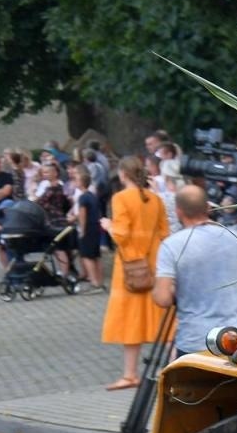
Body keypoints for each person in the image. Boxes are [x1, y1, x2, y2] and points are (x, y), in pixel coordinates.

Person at [153, 185, 237, 355]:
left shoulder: (171, 245)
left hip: (196, 341)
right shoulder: (233, 236)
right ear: (208, 207)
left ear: (178, 211)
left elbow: (163, 299)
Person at [101, 156, 170, 390]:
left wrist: (107, 225)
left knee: (130, 321)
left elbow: (120, 235)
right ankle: (171, 370)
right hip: (155, 265)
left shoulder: (120, 198)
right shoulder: (156, 199)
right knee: (164, 320)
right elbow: (165, 233)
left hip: (130, 268)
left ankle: (130, 374)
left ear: (122, 174)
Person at [67, 162, 103, 290]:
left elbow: (82, 214)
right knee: (96, 255)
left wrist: (82, 230)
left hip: (87, 227)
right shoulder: (92, 195)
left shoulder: (82, 197)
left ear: (82, 182)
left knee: (87, 255)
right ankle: (99, 280)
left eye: (77, 180)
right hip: (96, 227)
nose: (75, 182)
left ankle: (93, 282)